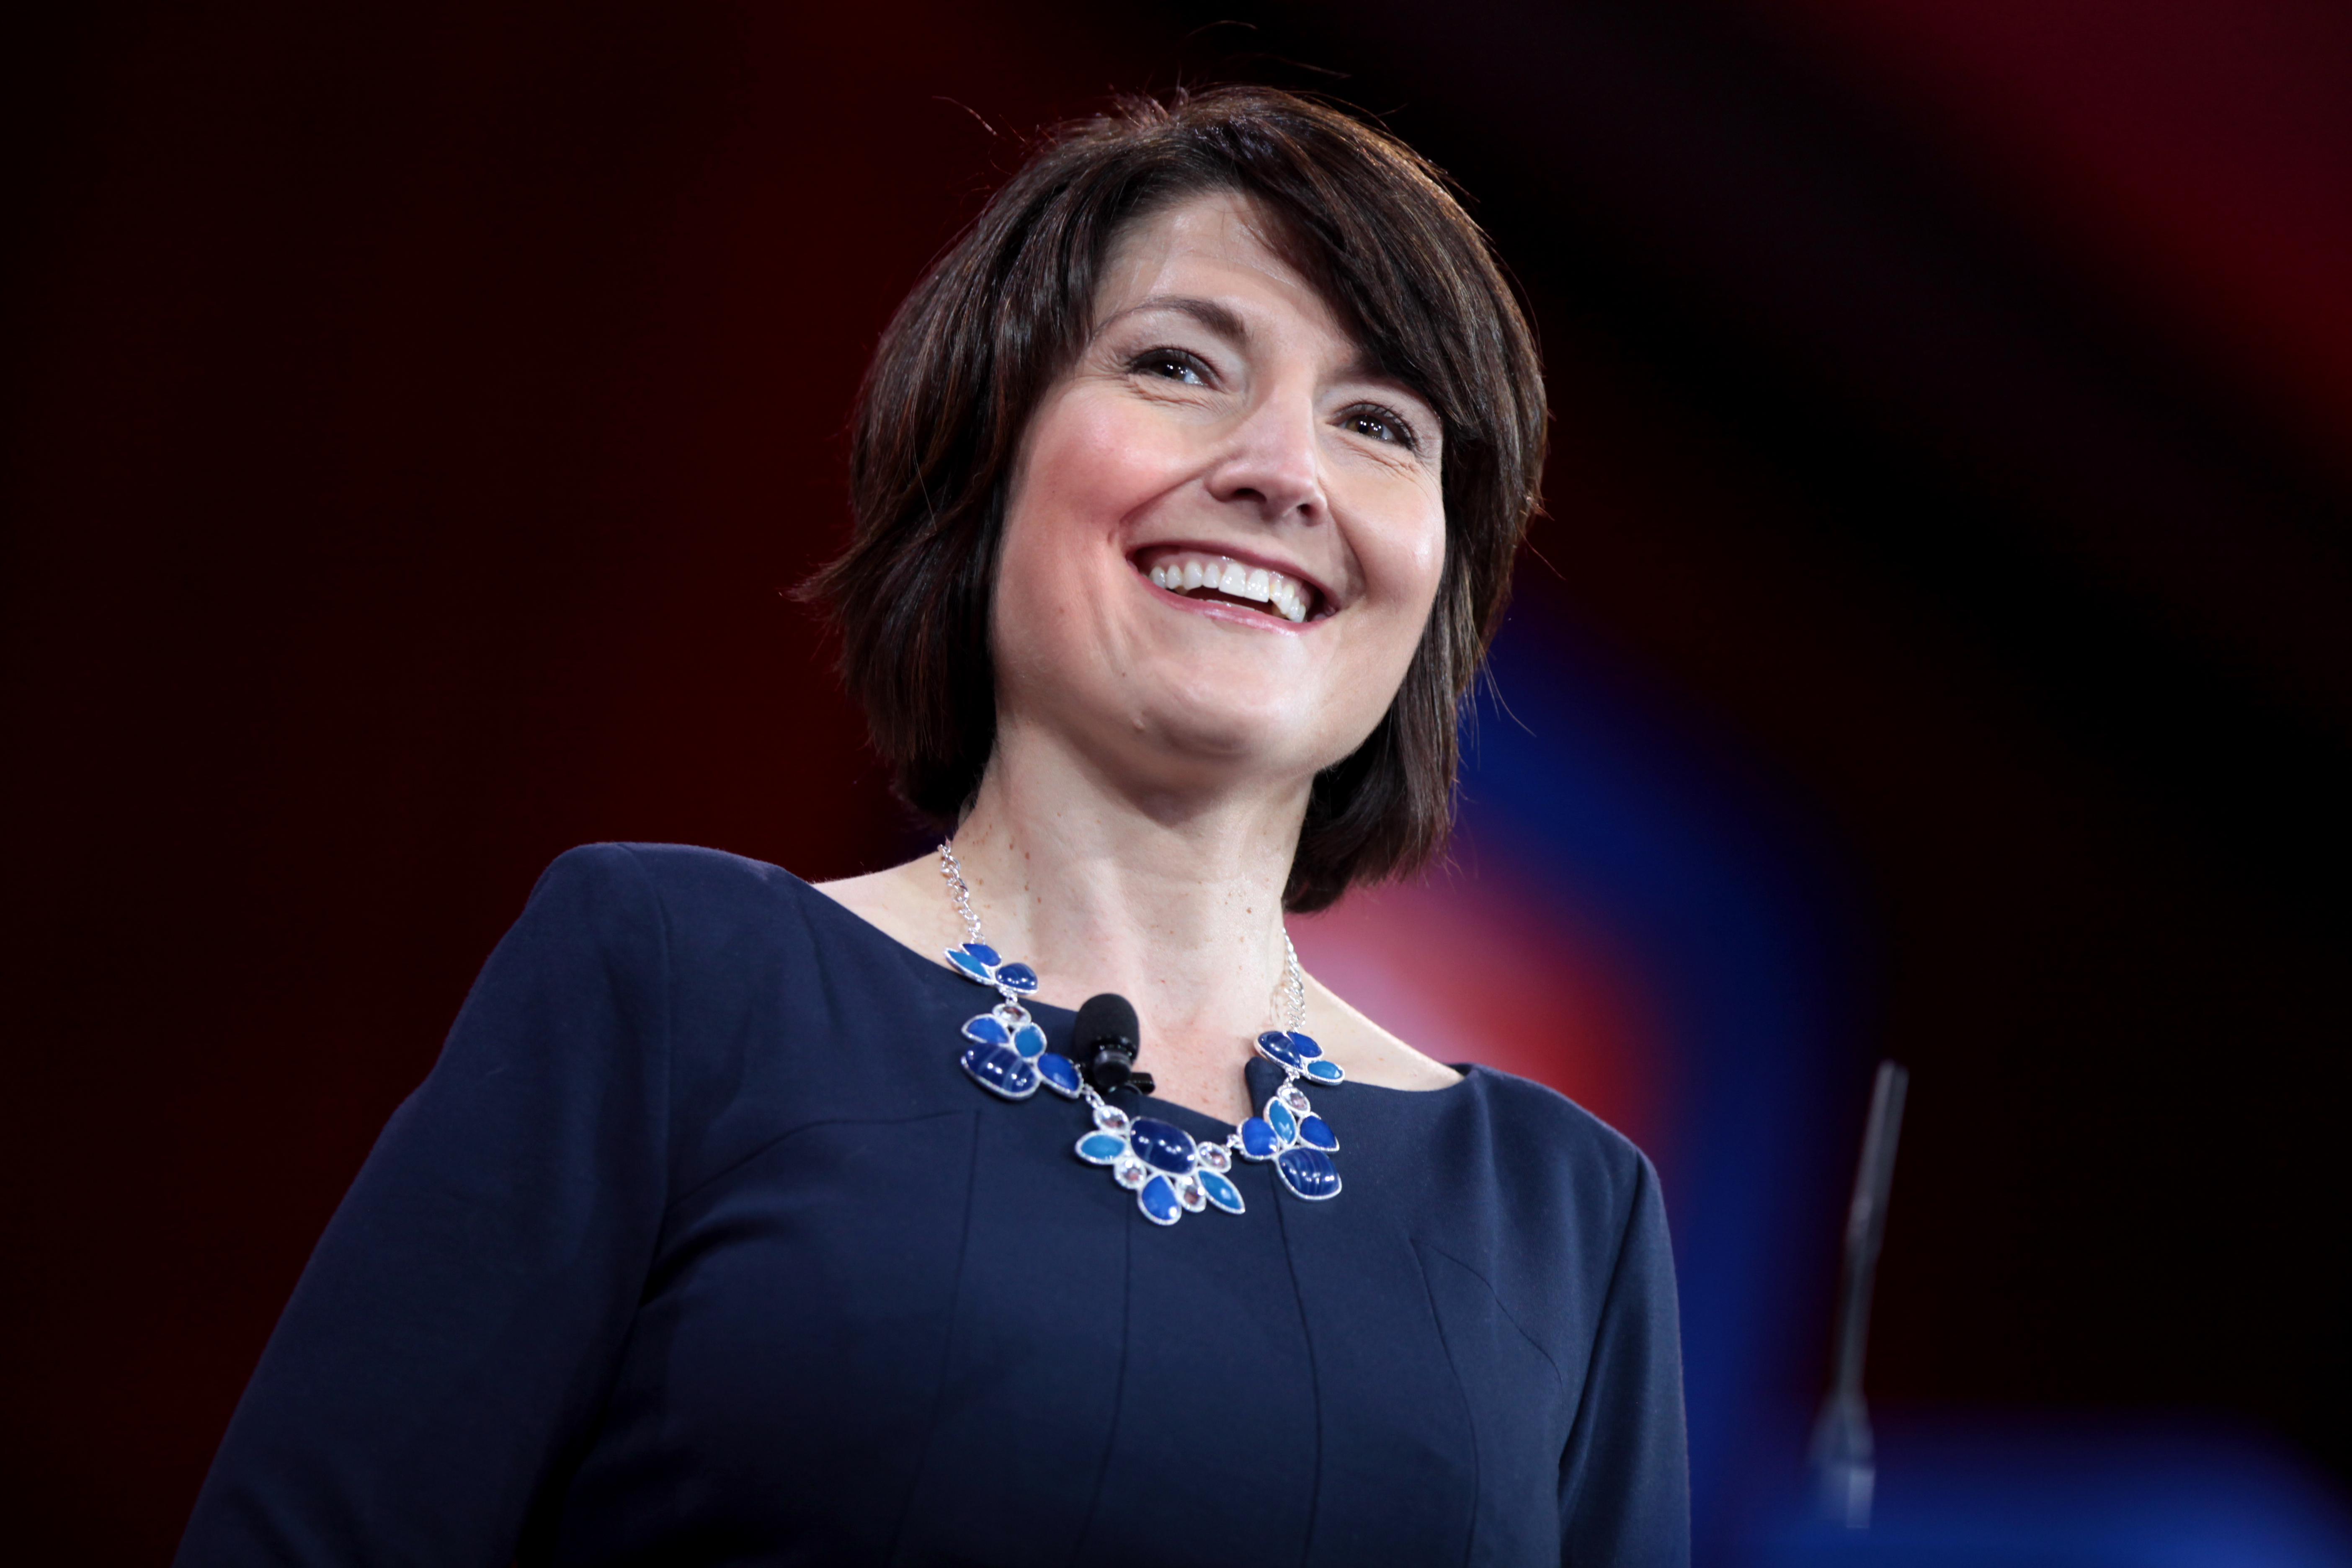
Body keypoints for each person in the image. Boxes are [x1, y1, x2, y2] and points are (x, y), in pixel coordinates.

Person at [175, 86, 1688, 1566]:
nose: (1284, 472)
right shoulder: (674, 983)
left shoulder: (1568, 1218)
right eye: (1179, 364)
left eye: (1378, 422)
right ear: (987, 457)